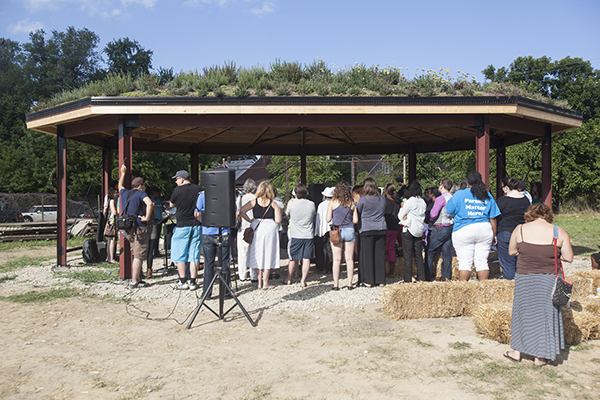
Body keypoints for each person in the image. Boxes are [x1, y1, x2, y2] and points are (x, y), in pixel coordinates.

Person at [503, 204, 573, 366]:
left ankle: (516, 351)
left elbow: (512, 252)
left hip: (524, 278)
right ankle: (540, 357)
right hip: (548, 279)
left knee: (521, 313)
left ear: (530, 215)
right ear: (548, 216)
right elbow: (569, 257)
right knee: (545, 315)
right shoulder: (558, 231)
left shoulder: (520, 229)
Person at [446, 171, 500, 281]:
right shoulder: (487, 195)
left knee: (465, 263)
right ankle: (482, 291)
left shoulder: (460, 194)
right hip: (484, 229)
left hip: (463, 229)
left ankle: (463, 292)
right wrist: (494, 235)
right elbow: (493, 217)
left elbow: (449, 210)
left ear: (467, 182)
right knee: (482, 262)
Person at [239, 181, 282, 289]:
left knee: (257, 254)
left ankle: (259, 282)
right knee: (268, 255)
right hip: (270, 229)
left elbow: (242, 211)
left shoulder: (254, 201)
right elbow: (278, 220)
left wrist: (250, 220)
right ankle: (266, 283)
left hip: (257, 228)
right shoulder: (273, 203)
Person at [118, 164, 154, 288]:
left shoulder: (124, 193)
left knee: (135, 252)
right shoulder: (141, 194)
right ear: (140, 186)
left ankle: (137, 277)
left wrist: (122, 173)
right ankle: (134, 281)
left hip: (128, 229)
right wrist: (147, 218)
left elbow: (120, 186)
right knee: (139, 255)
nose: (145, 187)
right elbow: (149, 203)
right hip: (139, 227)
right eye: (144, 185)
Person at [168, 170, 202, 290]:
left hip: (182, 225)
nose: (176, 182)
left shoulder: (178, 190)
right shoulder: (199, 189)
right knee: (194, 254)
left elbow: (171, 205)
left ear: (182, 179)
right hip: (197, 224)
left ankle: (183, 281)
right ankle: (193, 281)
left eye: (176, 179)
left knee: (179, 254)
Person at [196, 191, 231, 299]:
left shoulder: (202, 195)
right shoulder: (227, 194)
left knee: (208, 264)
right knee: (224, 263)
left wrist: (205, 223)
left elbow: (197, 214)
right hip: (224, 232)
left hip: (207, 232)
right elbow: (233, 212)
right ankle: (225, 292)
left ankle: (206, 293)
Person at [496, 177, 530, 280]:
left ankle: (511, 285)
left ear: (506, 187)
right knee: (520, 263)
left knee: (507, 264)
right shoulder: (526, 200)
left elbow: (495, 217)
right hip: (521, 233)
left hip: (505, 232)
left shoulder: (502, 201)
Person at [326, 181, 359, 290]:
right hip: (349, 230)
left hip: (337, 232)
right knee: (349, 259)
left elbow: (327, 219)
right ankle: (350, 284)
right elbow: (355, 220)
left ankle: (336, 284)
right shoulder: (351, 203)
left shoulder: (332, 202)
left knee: (336, 259)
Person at [284, 183, 316, 287]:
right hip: (308, 234)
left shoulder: (291, 204)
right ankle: (303, 281)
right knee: (306, 258)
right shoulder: (311, 204)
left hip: (296, 234)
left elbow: (287, 215)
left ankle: (288, 278)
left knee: (293, 258)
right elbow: (314, 215)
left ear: (296, 194)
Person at [356, 178, 387, 287]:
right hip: (381, 228)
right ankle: (381, 280)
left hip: (367, 228)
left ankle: (368, 280)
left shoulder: (363, 199)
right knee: (380, 255)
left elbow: (358, 213)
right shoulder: (382, 199)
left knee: (367, 255)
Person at [398, 181, 427, 283]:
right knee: (418, 255)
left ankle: (407, 279)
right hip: (419, 229)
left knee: (408, 255)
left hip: (409, 229)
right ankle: (421, 277)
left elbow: (401, 216)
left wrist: (402, 208)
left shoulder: (410, 201)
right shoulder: (423, 202)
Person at [427, 179, 454, 281]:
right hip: (450, 225)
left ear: (442, 186)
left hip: (440, 226)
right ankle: (446, 276)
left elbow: (434, 214)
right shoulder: (452, 197)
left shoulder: (440, 199)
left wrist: (430, 220)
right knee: (446, 253)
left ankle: (428, 275)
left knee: (430, 251)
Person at [236, 178, 257, 281]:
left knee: (242, 253)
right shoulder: (257, 198)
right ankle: (254, 275)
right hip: (254, 227)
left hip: (243, 227)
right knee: (253, 252)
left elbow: (238, 212)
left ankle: (242, 275)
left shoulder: (240, 198)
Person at [314, 187, 334, 274]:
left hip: (321, 229)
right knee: (330, 249)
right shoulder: (334, 203)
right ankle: (330, 267)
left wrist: (316, 231)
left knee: (321, 249)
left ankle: (322, 267)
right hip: (332, 229)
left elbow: (318, 219)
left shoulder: (321, 205)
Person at [383, 184, 400, 279]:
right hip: (395, 227)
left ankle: (383, 270)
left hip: (386, 227)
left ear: (386, 191)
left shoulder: (385, 202)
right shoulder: (397, 202)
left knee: (384, 249)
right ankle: (391, 271)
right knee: (391, 249)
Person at [146, 186, 163, 278]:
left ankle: (140, 271)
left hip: (145, 224)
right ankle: (149, 270)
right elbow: (155, 214)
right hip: (153, 222)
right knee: (151, 246)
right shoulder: (152, 203)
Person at [104, 185, 118, 264]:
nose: (117, 194)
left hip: (109, 221)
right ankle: (111, 258)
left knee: (109, 240)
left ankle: (108, 256)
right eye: (116, 193)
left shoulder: (108, 200)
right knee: (113, 240)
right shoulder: (112, 201)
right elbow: (114, 211)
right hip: (112, 222)